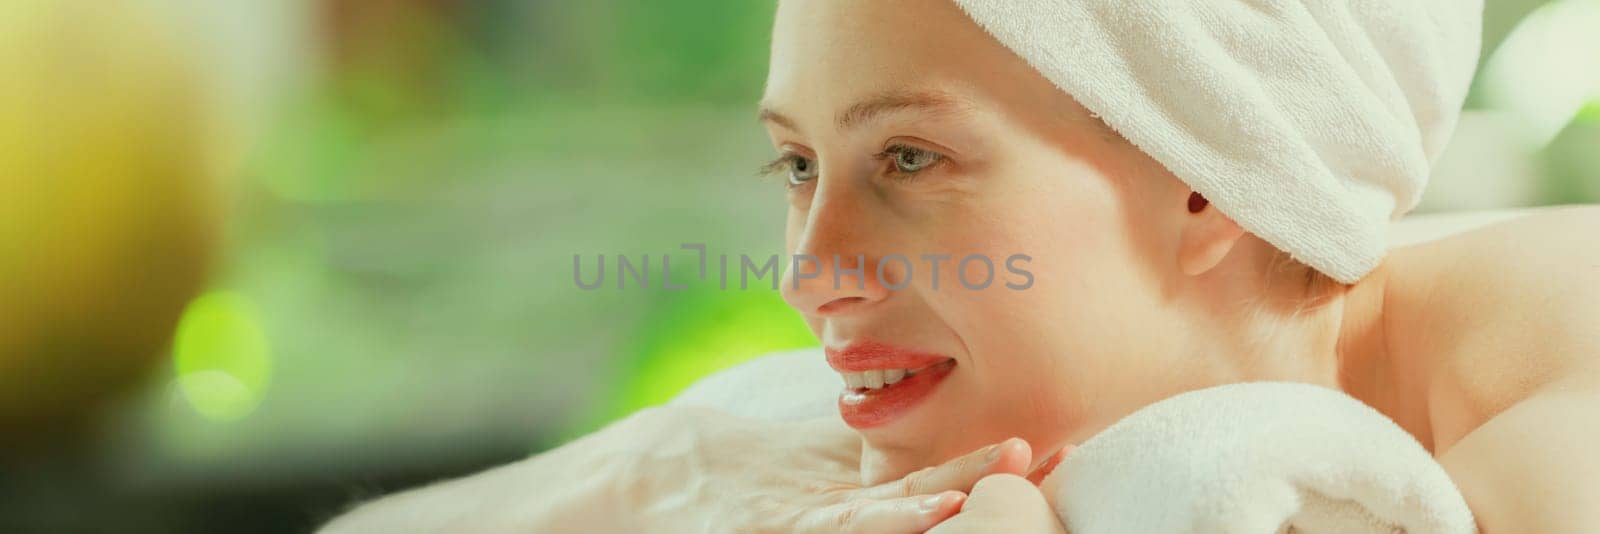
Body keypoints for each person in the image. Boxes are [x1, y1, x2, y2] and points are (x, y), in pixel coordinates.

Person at [324, 0, 1600, 532]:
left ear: (1216, 178)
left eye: (911, 162)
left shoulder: (1563, 398)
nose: (808, 273)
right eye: (797, 167)